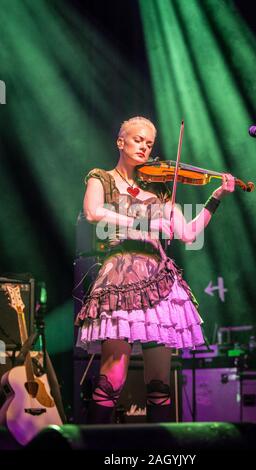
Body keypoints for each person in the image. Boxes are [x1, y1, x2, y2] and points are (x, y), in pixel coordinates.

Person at [75, 116, 235, 424]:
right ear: (120, 141)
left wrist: (215, 198)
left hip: (160, 281)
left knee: (160, 386)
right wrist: (143, 223)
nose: (145, 148)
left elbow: (188, 234)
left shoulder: (160, 189)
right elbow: (94, 212)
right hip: (121, 275)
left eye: (149, 143)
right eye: (138, 140)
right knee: (113, 381)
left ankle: (160, 454)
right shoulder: (102, 178)